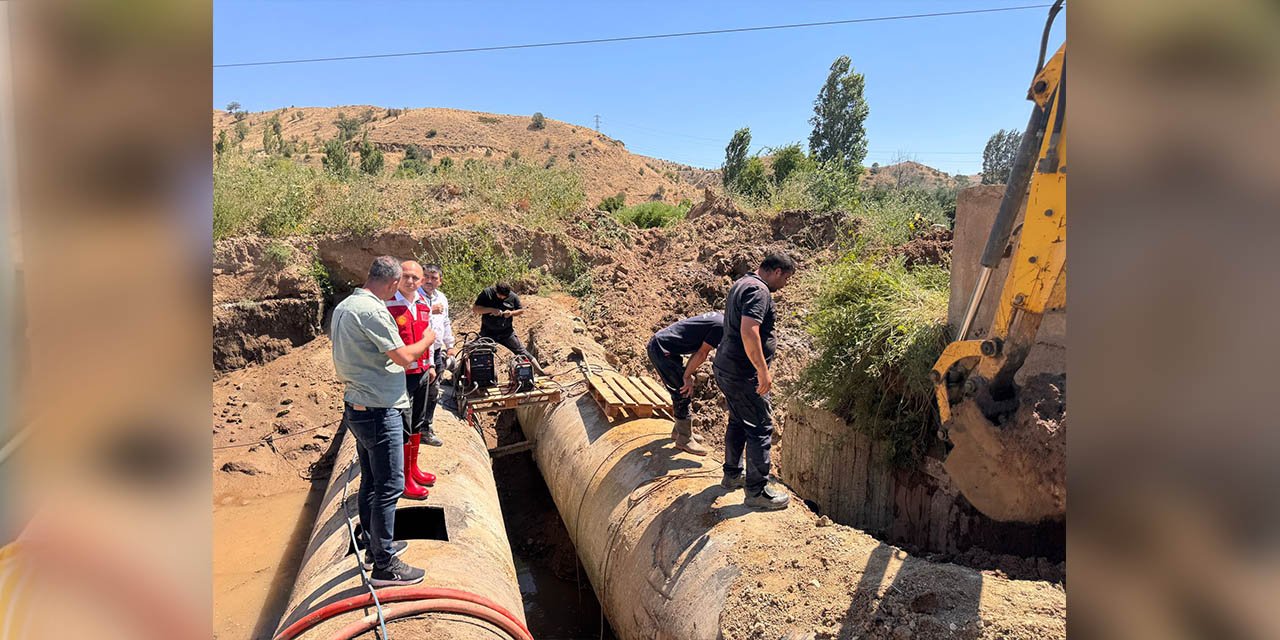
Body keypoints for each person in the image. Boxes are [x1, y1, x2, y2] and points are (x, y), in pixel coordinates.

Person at [331, 256, 434, 586]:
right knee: (389, 485)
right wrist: (428, 339)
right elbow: (403, 357)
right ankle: (385, 565)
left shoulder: (346, 306)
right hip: (379, 409)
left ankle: (373, 544)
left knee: (372, 481)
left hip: (359, 406)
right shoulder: (372, 311)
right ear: (391, 283)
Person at [713, 253, 797, 510]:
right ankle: (757, 492)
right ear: (777, 271)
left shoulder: (742, 283)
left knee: (738, 421)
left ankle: (732, 474)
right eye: (786, 278)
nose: (785, 285)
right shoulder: (759, 291)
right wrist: (762, 370)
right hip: (743, 373)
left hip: (727, 366)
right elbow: (749, 331)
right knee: (760, 427)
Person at [385, 260, 438, 500]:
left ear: (422, 280)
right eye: (405, 276)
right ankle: (404, 478)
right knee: (403, 425)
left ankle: (413, 468)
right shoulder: (388, 304)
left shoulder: (423, 303)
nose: (410, 281)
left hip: (422, 372)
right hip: (400, 375)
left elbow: (430, 336)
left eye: (415, 278)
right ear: (398, 278)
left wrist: (432, 364)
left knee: (417, 421)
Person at [646, 311, 724, 456]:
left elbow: (699, 351)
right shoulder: (720, 327)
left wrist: (687, 374)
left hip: (666, 347)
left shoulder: (719, 319)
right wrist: (687, 376)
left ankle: (679, 431)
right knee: (681, 392)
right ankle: (684, 439)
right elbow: (702, 353)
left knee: (683, 387)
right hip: (661, 350)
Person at [417, 264, 455, 446]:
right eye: (426, 277)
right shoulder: (414, 296)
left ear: (440, 281)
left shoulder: (442, 298)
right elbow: (411, 315)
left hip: (437, 351)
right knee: (418, 392)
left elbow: (445, 323)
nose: (429, 281)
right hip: (419, 352)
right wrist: (429, 309)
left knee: (433, 391)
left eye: (434, 278)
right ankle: (411, 431)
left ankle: (425, 429)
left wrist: (450, 346)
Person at [471, 281, 544, 374]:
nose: (502, 298)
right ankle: (463, 375)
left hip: (506, 333)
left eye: (505, 296)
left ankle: (540, 371)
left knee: (521, 351)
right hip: (488, 332)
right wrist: (491, 310)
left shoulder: (512, 296)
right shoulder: (487, 293)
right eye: (500, 296)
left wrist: (511, 313)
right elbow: (475, 309)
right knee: (474, 351)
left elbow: (521, 310)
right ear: (496, 291)